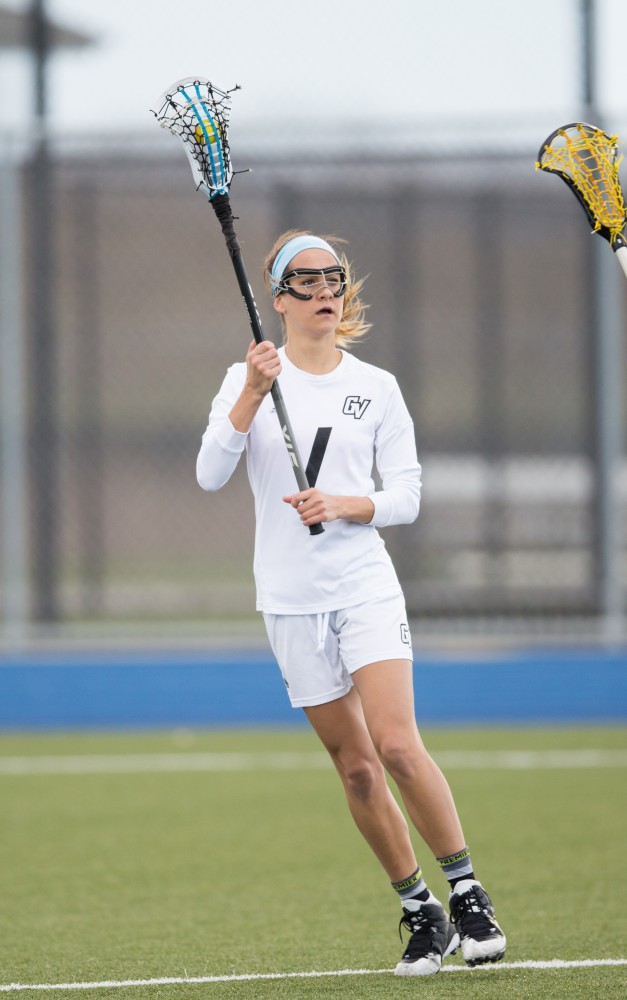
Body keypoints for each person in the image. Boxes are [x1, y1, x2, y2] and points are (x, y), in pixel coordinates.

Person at [196, 230, 506, 976]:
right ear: (277, 299)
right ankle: (419, 911)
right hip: (288, 597)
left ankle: (467, 895)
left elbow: (405, 494)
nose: (324, 291)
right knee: (358, 769)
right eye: (305, 281)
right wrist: (249, 393)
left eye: (333, 278)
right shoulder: (249, 381)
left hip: (362, 582)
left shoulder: (377, 385)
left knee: (397, 745)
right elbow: (210, 473)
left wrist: (343, 502)